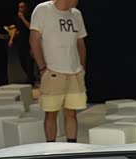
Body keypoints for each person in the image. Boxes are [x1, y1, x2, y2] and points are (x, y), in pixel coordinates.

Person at [30, 0, 88, 143]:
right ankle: (51, 147)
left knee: (71, 112)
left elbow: (80, 43)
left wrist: (82, 67)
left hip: (74, 72)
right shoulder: (43, 10)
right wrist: (42, 68)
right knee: (51, 113)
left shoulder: (76, 14)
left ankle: (72, 146)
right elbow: (34, 40)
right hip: (53, 72)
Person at [10, 1, 35, 85]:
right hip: (20, 42)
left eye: (22, 7)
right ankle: (29, 77)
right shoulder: (17, 18)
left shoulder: (29, 16)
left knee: (29, 62)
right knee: (22, 61)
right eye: (19, 7)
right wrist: (11, 39)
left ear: (25, 8)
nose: (20, 9)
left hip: (28, 41)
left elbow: (30, 27)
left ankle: (31, 80)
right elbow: (15, 28)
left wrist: (23, 18)